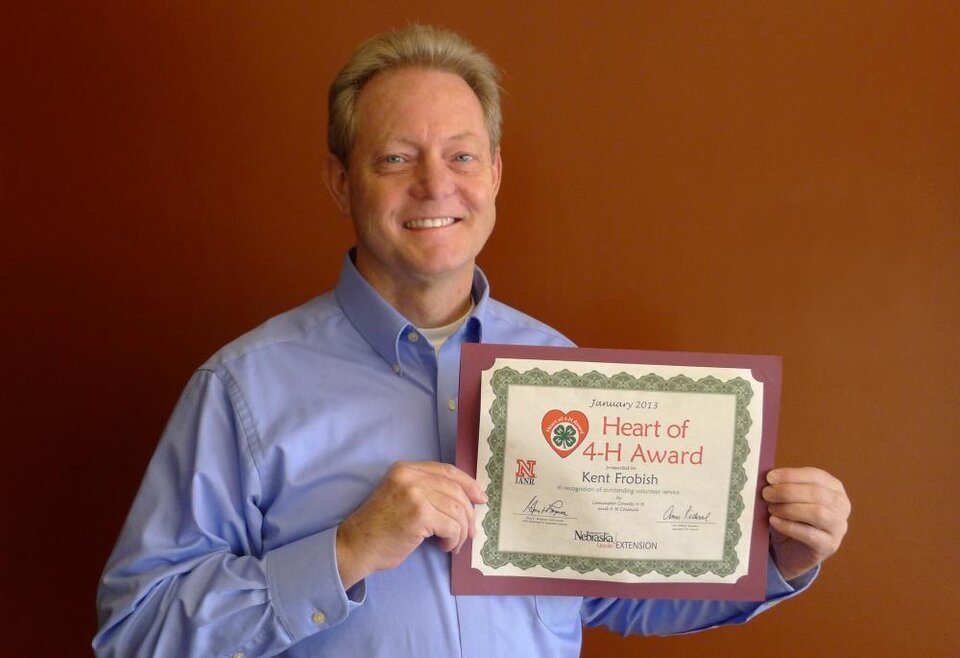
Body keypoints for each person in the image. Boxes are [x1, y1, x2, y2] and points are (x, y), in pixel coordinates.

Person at [93, 24, 851, 658]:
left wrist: (776, 556)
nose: (435, 184)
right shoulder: (241, 389)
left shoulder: (562, 371)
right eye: (395, 158)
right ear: (340, 180)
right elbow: (134, 631)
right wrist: (346, 550)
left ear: (494, 173)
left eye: (461, 155)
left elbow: (614, 593)